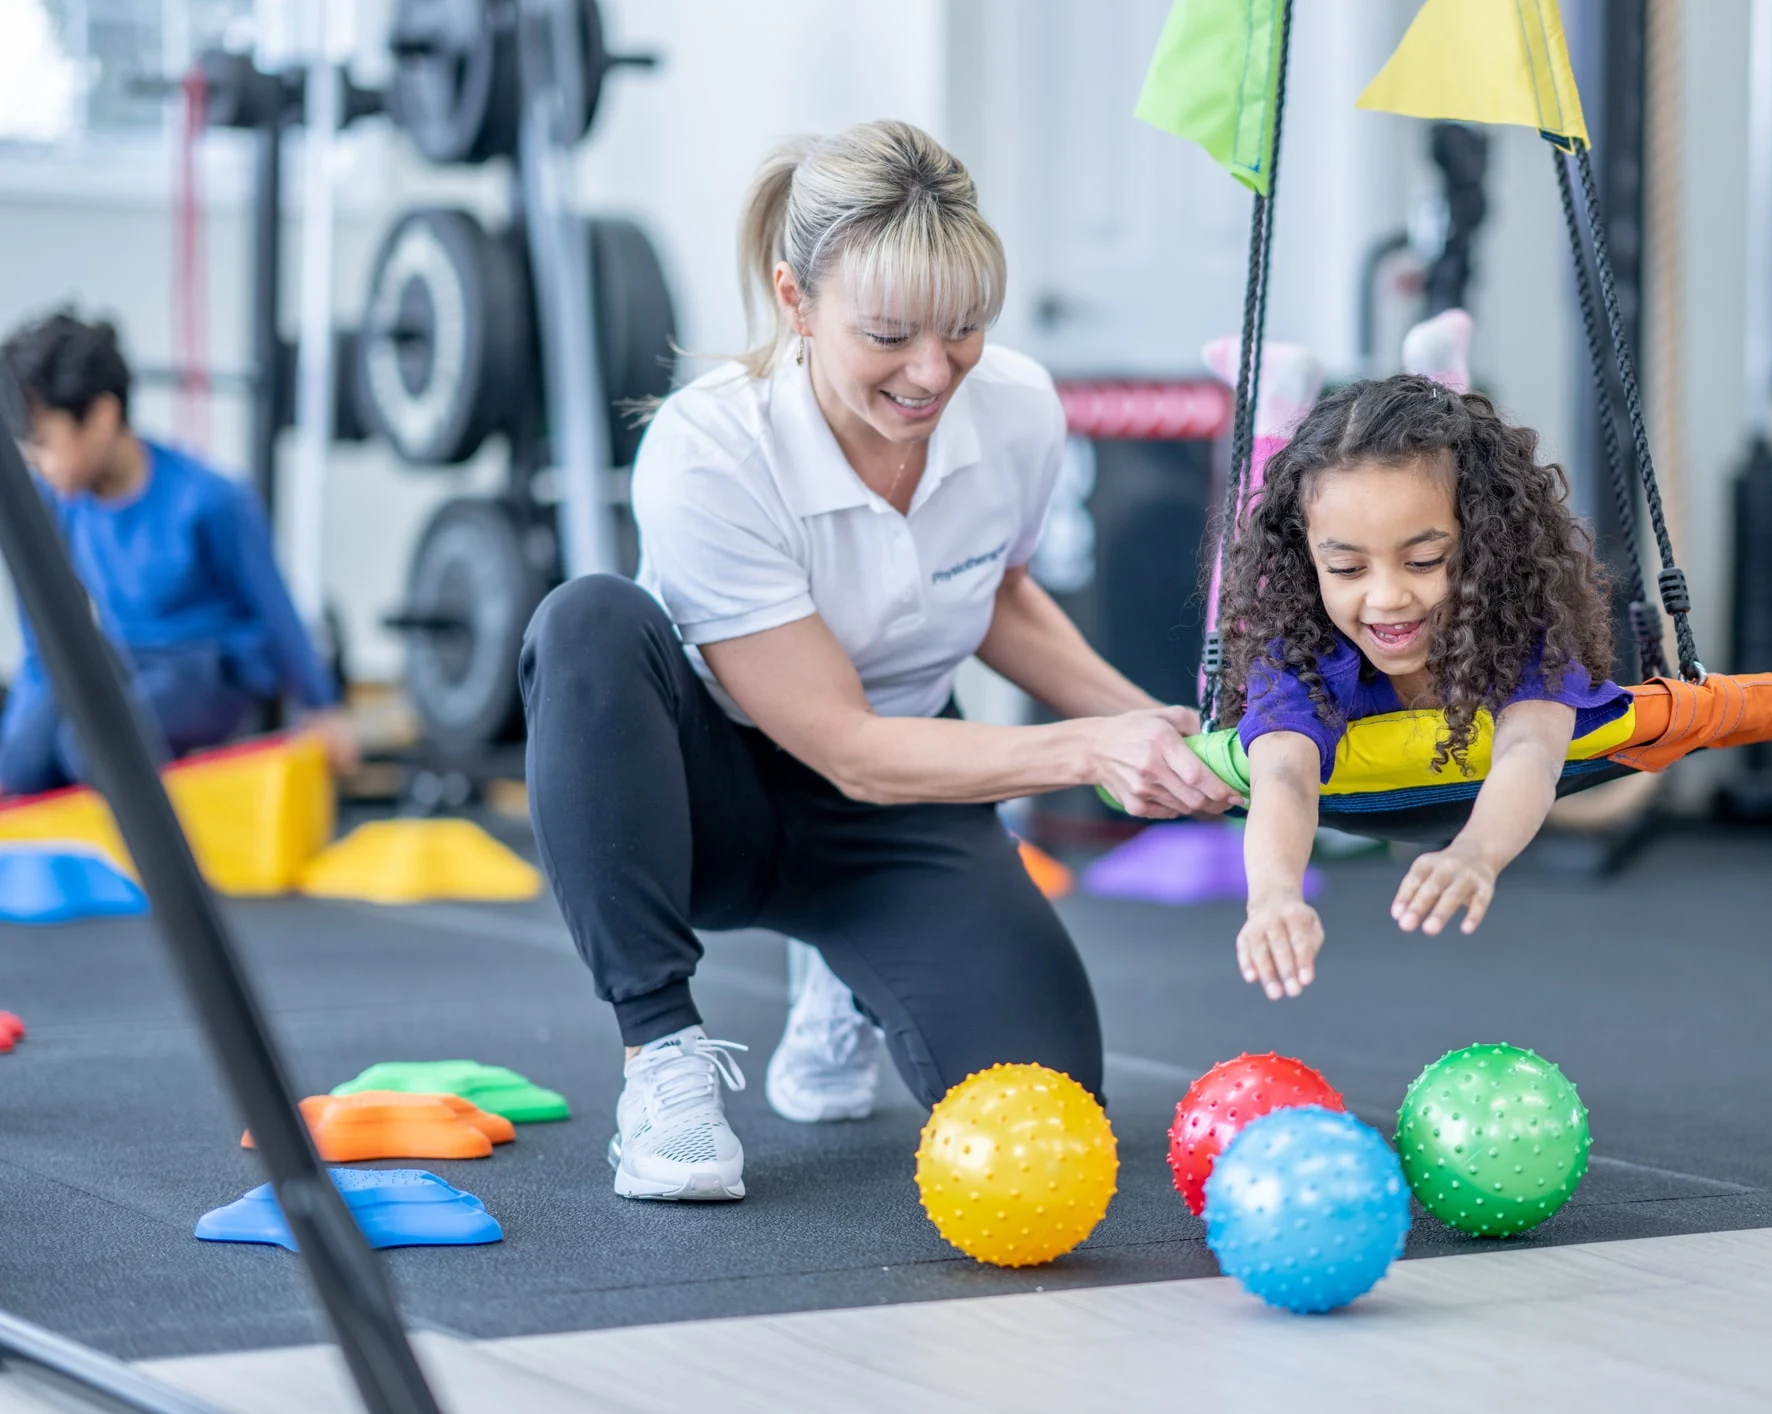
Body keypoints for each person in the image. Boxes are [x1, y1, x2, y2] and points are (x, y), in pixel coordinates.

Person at [520, 120, 1237, 1203]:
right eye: (891, 334)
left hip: (897, 806)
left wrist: (1173, 732)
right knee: (586, 623)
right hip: (699, 800)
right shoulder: (706, 449)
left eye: (963, 329)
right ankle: (660, 1054)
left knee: (1044, 1102)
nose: (932, 369)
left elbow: (994, 593)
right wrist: (1092, 750)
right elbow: (846, 748)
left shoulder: (1020, 414)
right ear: (795, 301)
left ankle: (839, 975)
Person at [1221, 375, 1623, 1000]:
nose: (1387, 597)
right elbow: (1283, 776)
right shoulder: (1304, 653)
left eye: (1425, 561)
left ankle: (1443, 372)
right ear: (1312, 564)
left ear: (1488, 547)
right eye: (1347, 569)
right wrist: (1273, 897)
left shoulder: (1524, 634)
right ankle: (1280, 396)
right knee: (1226, 666)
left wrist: (1476, 853)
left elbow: (1531, 752)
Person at [0, 311, 357, 795]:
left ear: (102, 418)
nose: (35, 463)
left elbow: (276, 612)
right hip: (127, 661)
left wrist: (322, 706)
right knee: (20, 765)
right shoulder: (55, 504)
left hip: (212, 669)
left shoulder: (209, 499)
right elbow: (43, 650)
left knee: (90, 750)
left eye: (43, 443)